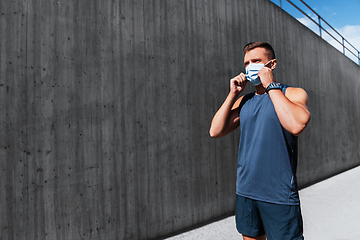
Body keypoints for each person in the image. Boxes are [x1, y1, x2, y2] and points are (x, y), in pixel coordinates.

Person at [209, 42, 311, 240]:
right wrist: (233, 94)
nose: (250, 66)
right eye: (247, 63)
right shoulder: (245, 101)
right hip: (246, 191)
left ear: (271, 64)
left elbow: (297, 125)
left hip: (279, 194)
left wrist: (271, 86)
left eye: (256, 61)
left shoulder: (292, 93)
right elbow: (215, 130)